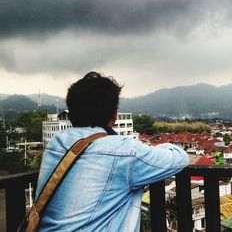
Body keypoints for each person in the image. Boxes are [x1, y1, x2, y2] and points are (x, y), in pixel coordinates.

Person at [35, 72, 189, 231]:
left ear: (71, 113)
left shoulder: (56, 142)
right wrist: (156, 147)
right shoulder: (123, 151)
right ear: (114, 115)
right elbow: (180, 158)